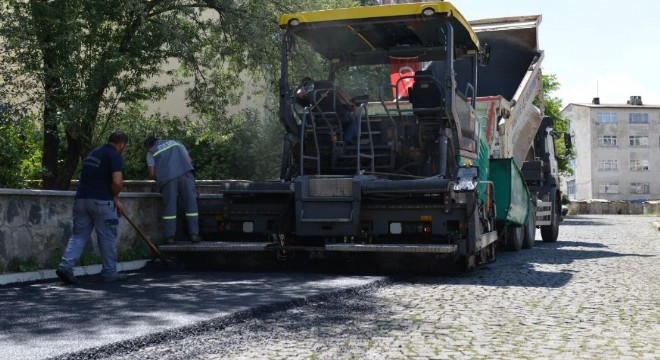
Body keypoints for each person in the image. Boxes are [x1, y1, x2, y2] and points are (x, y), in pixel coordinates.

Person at [56, 131, 129, 284]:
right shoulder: (114, 156)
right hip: (102, 203)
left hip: (81, 200)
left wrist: (113, 198)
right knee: (107, 236)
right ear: (121, 144)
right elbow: (117, 182)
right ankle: (109, 272)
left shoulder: (93, 154)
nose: (124, 149)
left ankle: (66, 266)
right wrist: (114, 196)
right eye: (125, 146)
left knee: (78, 235)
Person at [143, 136, 200, 244]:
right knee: (191, 204)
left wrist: (160, 178)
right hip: (186, 174)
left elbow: (152, 173)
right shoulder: (176, 142)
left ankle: (170, 237)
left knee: (170, 207)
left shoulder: (151, 151)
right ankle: (194, 234)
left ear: (148, 146)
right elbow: (189, 160)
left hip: (168, 179)